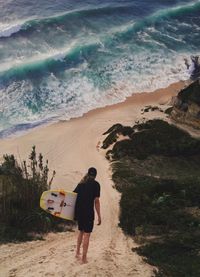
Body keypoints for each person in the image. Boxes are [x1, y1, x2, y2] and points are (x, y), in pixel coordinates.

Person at [73, 167, 101, 264]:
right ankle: (84, 258)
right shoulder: (96, 185)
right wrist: (99, 216)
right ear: (95, 175)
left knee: (81, 232)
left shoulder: (81, 184)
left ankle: (77, 253)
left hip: (80, 213)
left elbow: (72, 196)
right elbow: (96, 201)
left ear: (88, 174)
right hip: (89, 213)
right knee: (87, 235)